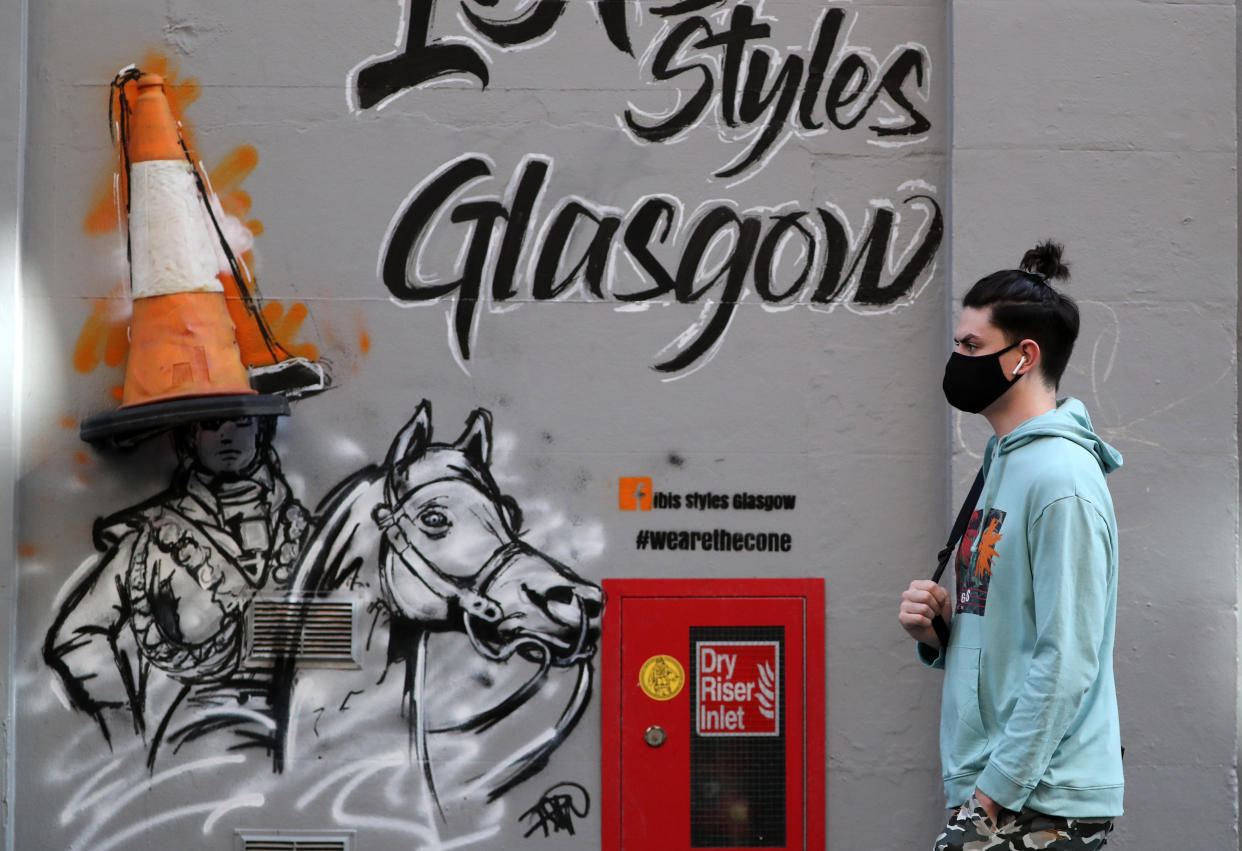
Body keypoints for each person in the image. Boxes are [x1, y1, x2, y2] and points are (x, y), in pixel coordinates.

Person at [898, 242, 1123, 850]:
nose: (957, 359)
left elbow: (1068, 653)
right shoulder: (1004, 463)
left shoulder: (1061, 480)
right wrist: (942, 636)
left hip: (1037, 800)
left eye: (971, 346)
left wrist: (992, 795)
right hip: (1004, 791)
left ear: (1024, 356)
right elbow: (1014, 631)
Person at [44, 416, 309, 766]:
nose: (226, 434)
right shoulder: (152, 539)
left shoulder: (305, 534)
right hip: (184, 756)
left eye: (241, 422)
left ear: (261, 431)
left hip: (295, 753)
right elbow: (76, 636)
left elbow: (340, 642)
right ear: (191, 438)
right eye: (211, 425)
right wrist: (129, 726)